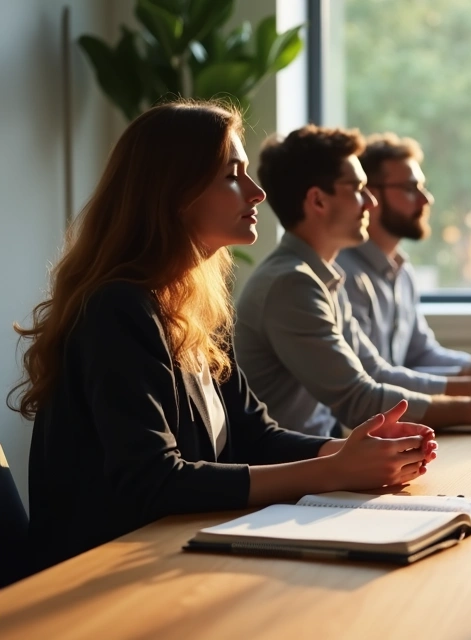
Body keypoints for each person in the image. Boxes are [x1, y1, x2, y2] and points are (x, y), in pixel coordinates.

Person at [8, 101, 437, 573]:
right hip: (98, 576)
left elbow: (255, 435)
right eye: (234, 175)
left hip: (172, 556)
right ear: (174, 192)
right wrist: (333, 470)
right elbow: (154, 480)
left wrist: (356, 451)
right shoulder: (116, 310)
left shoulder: (196, 308)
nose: (256, 193)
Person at [236, 125, 471, 437]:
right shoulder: (291, 284)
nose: (370, 203)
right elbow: (358, 401)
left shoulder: (320, 275)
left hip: (318, 456)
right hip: (291, 472)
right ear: (318, 201)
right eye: (358, 189)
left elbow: (375, 372)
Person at [337, 133, 471, 382]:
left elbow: (421, 354)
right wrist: (470, 384)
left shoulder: (402, 271)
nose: (426, 199)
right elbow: (370, 379)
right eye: (410, 188)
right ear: (373, 196)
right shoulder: (344, 275)